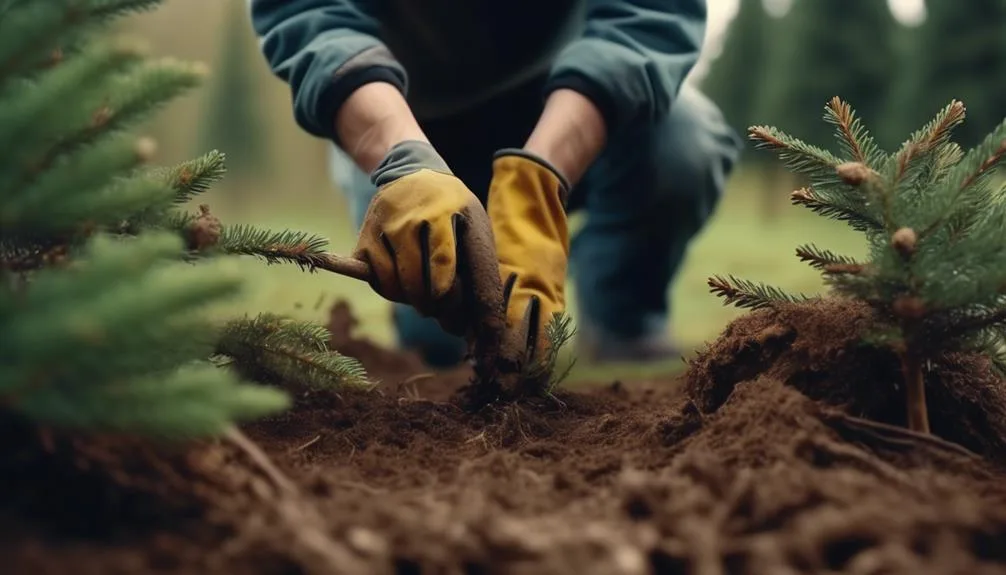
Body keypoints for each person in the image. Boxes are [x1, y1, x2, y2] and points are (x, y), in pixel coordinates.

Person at [249, 0, 742, 368]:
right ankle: (433, 335)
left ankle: (624, 324)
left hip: (568, 102)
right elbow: (311, 15)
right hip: (401, 117)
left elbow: (647, 18)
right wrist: (403, 160)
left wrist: (539, 180)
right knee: (441, 348)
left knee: (685, 144)